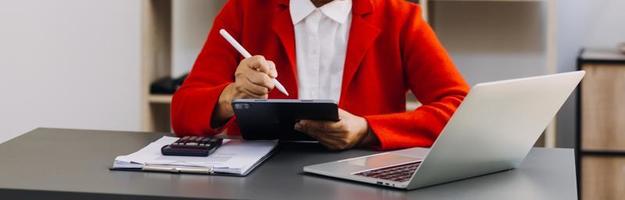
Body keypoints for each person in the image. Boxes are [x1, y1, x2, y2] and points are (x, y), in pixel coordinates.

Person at [171, 0, 469, 150]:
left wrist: (367, 129)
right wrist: (230, 96)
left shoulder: (400, 18)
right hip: (257, 182)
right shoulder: (244, 10)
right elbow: (183, 113)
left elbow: (461, 110)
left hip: (362, 181)